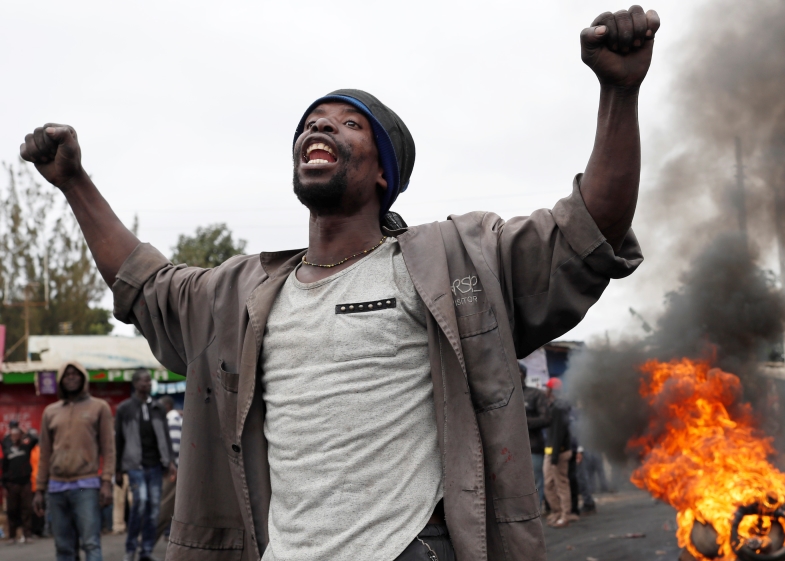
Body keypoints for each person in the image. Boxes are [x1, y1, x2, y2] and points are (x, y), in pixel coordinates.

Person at [19, 7, 656, 559]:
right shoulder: (240, 294)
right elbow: (146, 283)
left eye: (348, 124)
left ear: (385, 174)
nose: (319, 127)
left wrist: (618, 93)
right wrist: (75, 183)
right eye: (311, 121)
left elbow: (586, 231)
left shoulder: (450, 260)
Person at [34, 362, 115, 561]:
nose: (71, 377)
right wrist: (39, 489)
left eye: (75, 374)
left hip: (86, 486)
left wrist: (106, 482)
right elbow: (44, 453)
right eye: (66, 375)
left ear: (84, 378)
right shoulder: (50, 412)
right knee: (63, 547)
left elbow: (109, 448)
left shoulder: (99, 407)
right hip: (56, 488)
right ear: (60, 381)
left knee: (91, 543)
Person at [115, 369, 176, 561]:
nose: (147, 384)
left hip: (156, 466)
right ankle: (130, 549)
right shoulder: (125, 408)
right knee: (140, 503)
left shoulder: (158, 408)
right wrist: (117, 468)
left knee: (154, 509)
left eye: (149, 380)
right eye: (143, 381)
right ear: (135, 384)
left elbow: (165, 437)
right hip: (135, 465)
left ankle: (146, 551)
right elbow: (119, 440)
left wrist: (170, 462)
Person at [544, 378, 576, 528]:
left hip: (558, 452)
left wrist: (555, 455)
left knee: (561, 484)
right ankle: (556, 513)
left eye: (548, 388)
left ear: (552, 390)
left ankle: (565, 515)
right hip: (550, 451)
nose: (546, 390)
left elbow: (558, 433)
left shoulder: (559, 407)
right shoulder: (554, 406)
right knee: (548, 484)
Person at [2, 420, 39, 543]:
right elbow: (4, 466)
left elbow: (35, 439)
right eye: (13, 434)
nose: (15, 437)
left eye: (17, 434)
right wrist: (4, 482)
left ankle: (27, 535)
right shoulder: (6, 447)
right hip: (12, 483)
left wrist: (24, 432)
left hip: (25, 482)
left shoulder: (26, 446)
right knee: (12, 510)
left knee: (27, 509)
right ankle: (12, 536)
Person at [521, 364, 550, 511]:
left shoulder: (535, 394)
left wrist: (523, 422)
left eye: (518, 372)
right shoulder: (506, 395)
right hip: (512, 450)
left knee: (536, 482)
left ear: (523, 375)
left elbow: (546, 419)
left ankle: (536, 512)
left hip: (533, 447)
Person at [156, 395, 182, 542]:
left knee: (164, 506)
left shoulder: (171, 419)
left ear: (166, 407)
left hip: (174, 470)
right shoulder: (175, 418)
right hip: (176, 470)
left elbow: (175, 447)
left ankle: (146, 543)